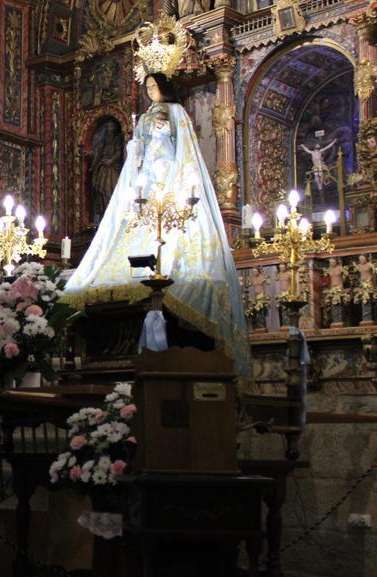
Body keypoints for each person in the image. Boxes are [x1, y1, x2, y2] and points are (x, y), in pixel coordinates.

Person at [61, 72, 250, 380]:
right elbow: (139, 151)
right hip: (147, 179)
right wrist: (135, 149)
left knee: (174, 234)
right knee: (133, 225)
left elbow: (185, 149)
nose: (150, 91)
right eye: (146, 87)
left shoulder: (176, 113)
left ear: (164, 86)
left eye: (154, 86)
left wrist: (170, 152)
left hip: (170, 177)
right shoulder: (145, 118)